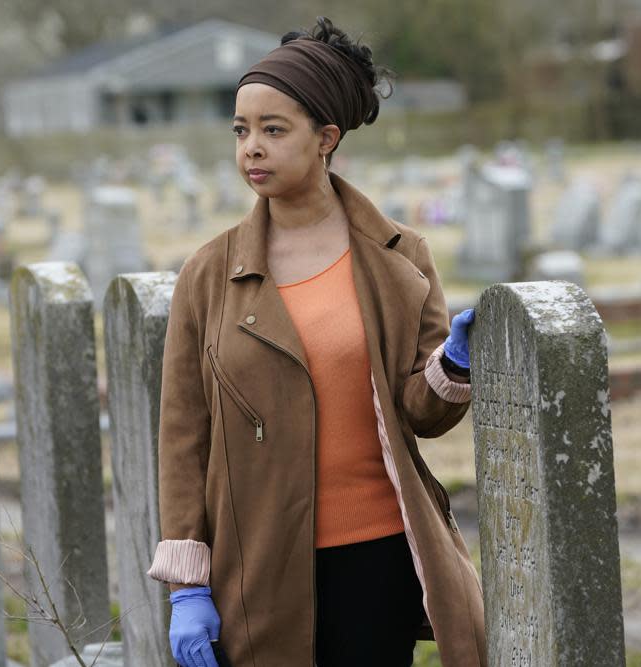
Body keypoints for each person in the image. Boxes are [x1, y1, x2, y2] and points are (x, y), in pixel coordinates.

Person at [146, 17, 485, 667]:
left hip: (377, 556)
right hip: (257, 565)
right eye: (242, 131)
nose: (252, 148)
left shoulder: (400, 258)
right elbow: (183, 435)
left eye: (274, 130)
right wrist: (190, 583)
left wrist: (454, 363)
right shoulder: (208, 273)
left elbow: (422, 410)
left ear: (326, 138)